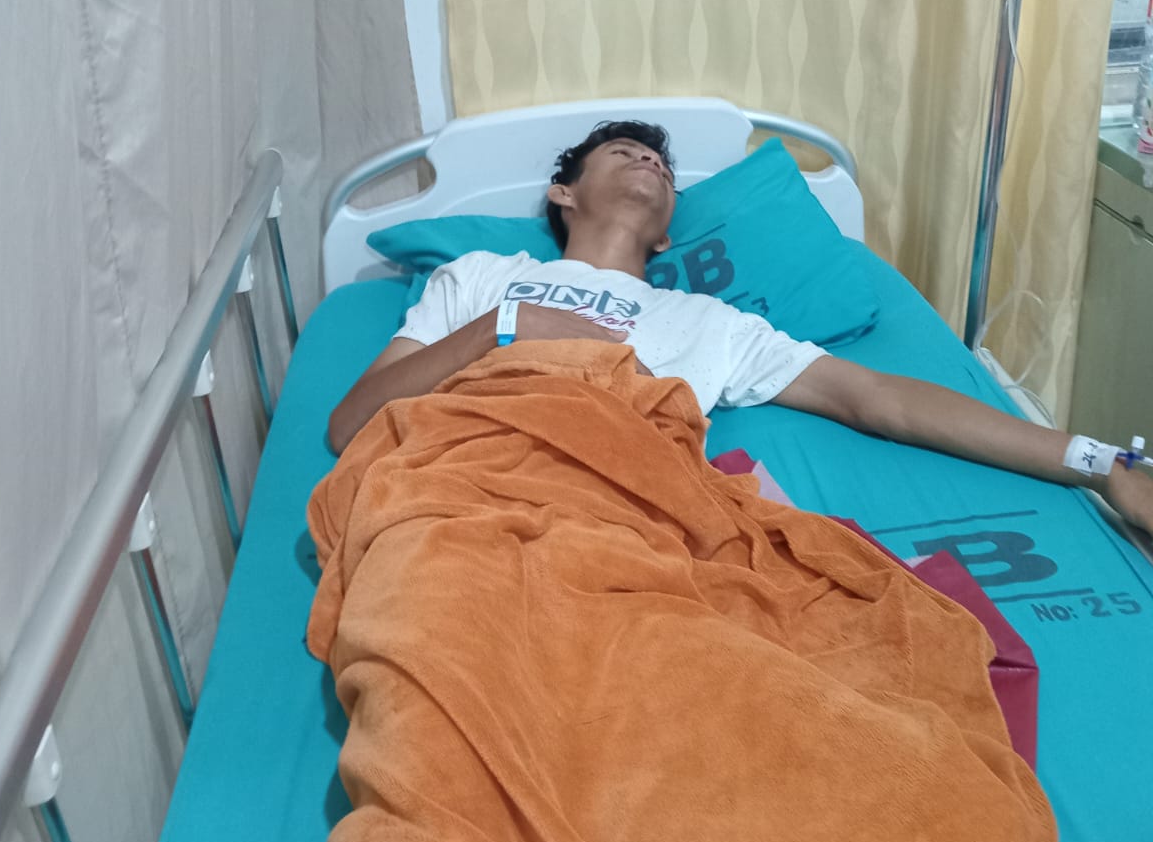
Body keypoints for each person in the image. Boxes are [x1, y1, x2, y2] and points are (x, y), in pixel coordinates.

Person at [328, 120, 1153, 536]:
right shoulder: (485, 279)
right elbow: (350, 425)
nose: (650, 163)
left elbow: (881, 400)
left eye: (661, 166)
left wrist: (1099, 462)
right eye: (625, 154)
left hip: (614, 514)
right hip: (469, 498)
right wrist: (501, 328)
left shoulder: (707, 323)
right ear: (564, 195)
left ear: (668, 231)